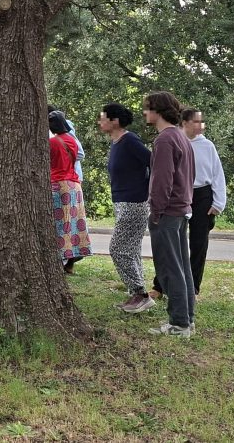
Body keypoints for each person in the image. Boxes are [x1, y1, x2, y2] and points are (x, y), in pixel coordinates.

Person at [150, 109, 228, 299]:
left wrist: (218, 203)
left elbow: (217, 174)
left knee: (199, 243)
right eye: (196, 121)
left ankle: (192, 287)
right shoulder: (175, 141)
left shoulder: (208, 146)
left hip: (202, 196)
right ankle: (160, 286)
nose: (201, 125)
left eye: (202, 122)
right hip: (179, 193)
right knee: (171, 241)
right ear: (184, 122)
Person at [144, 91, 196, 338]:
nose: (144, 113)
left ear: (157, 110)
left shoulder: (165, 139)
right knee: (182, 267)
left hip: (167, 212)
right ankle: (187, 320)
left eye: (146, 108)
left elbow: (161, 180)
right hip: (181, 209)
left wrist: (156, 210)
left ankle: (179, 324)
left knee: (169, 269)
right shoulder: (181, 136)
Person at [98, 103, 153, 313]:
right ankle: (137, 293)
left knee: (118, 249)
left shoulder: (129, 140)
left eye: (103, 118)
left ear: (115, 121)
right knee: (131, 250)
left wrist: (147, 190)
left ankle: (141, 293)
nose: (100, 121)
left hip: (134, 203)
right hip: (122, 202)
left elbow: (153, 162)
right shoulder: (117, 142)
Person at [49, 110, 91, 274]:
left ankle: (58, 262)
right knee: (73, 225)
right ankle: (71, 263)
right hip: (74, 185)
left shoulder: (52, 142)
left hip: (58, 184)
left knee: (59, 225)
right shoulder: (72, 140)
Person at [49, 105, 86, 182]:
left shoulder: (54, 141)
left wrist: (63, 160)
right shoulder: (71, 141)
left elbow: (80, 154)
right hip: (74, 181)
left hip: (60, 180)